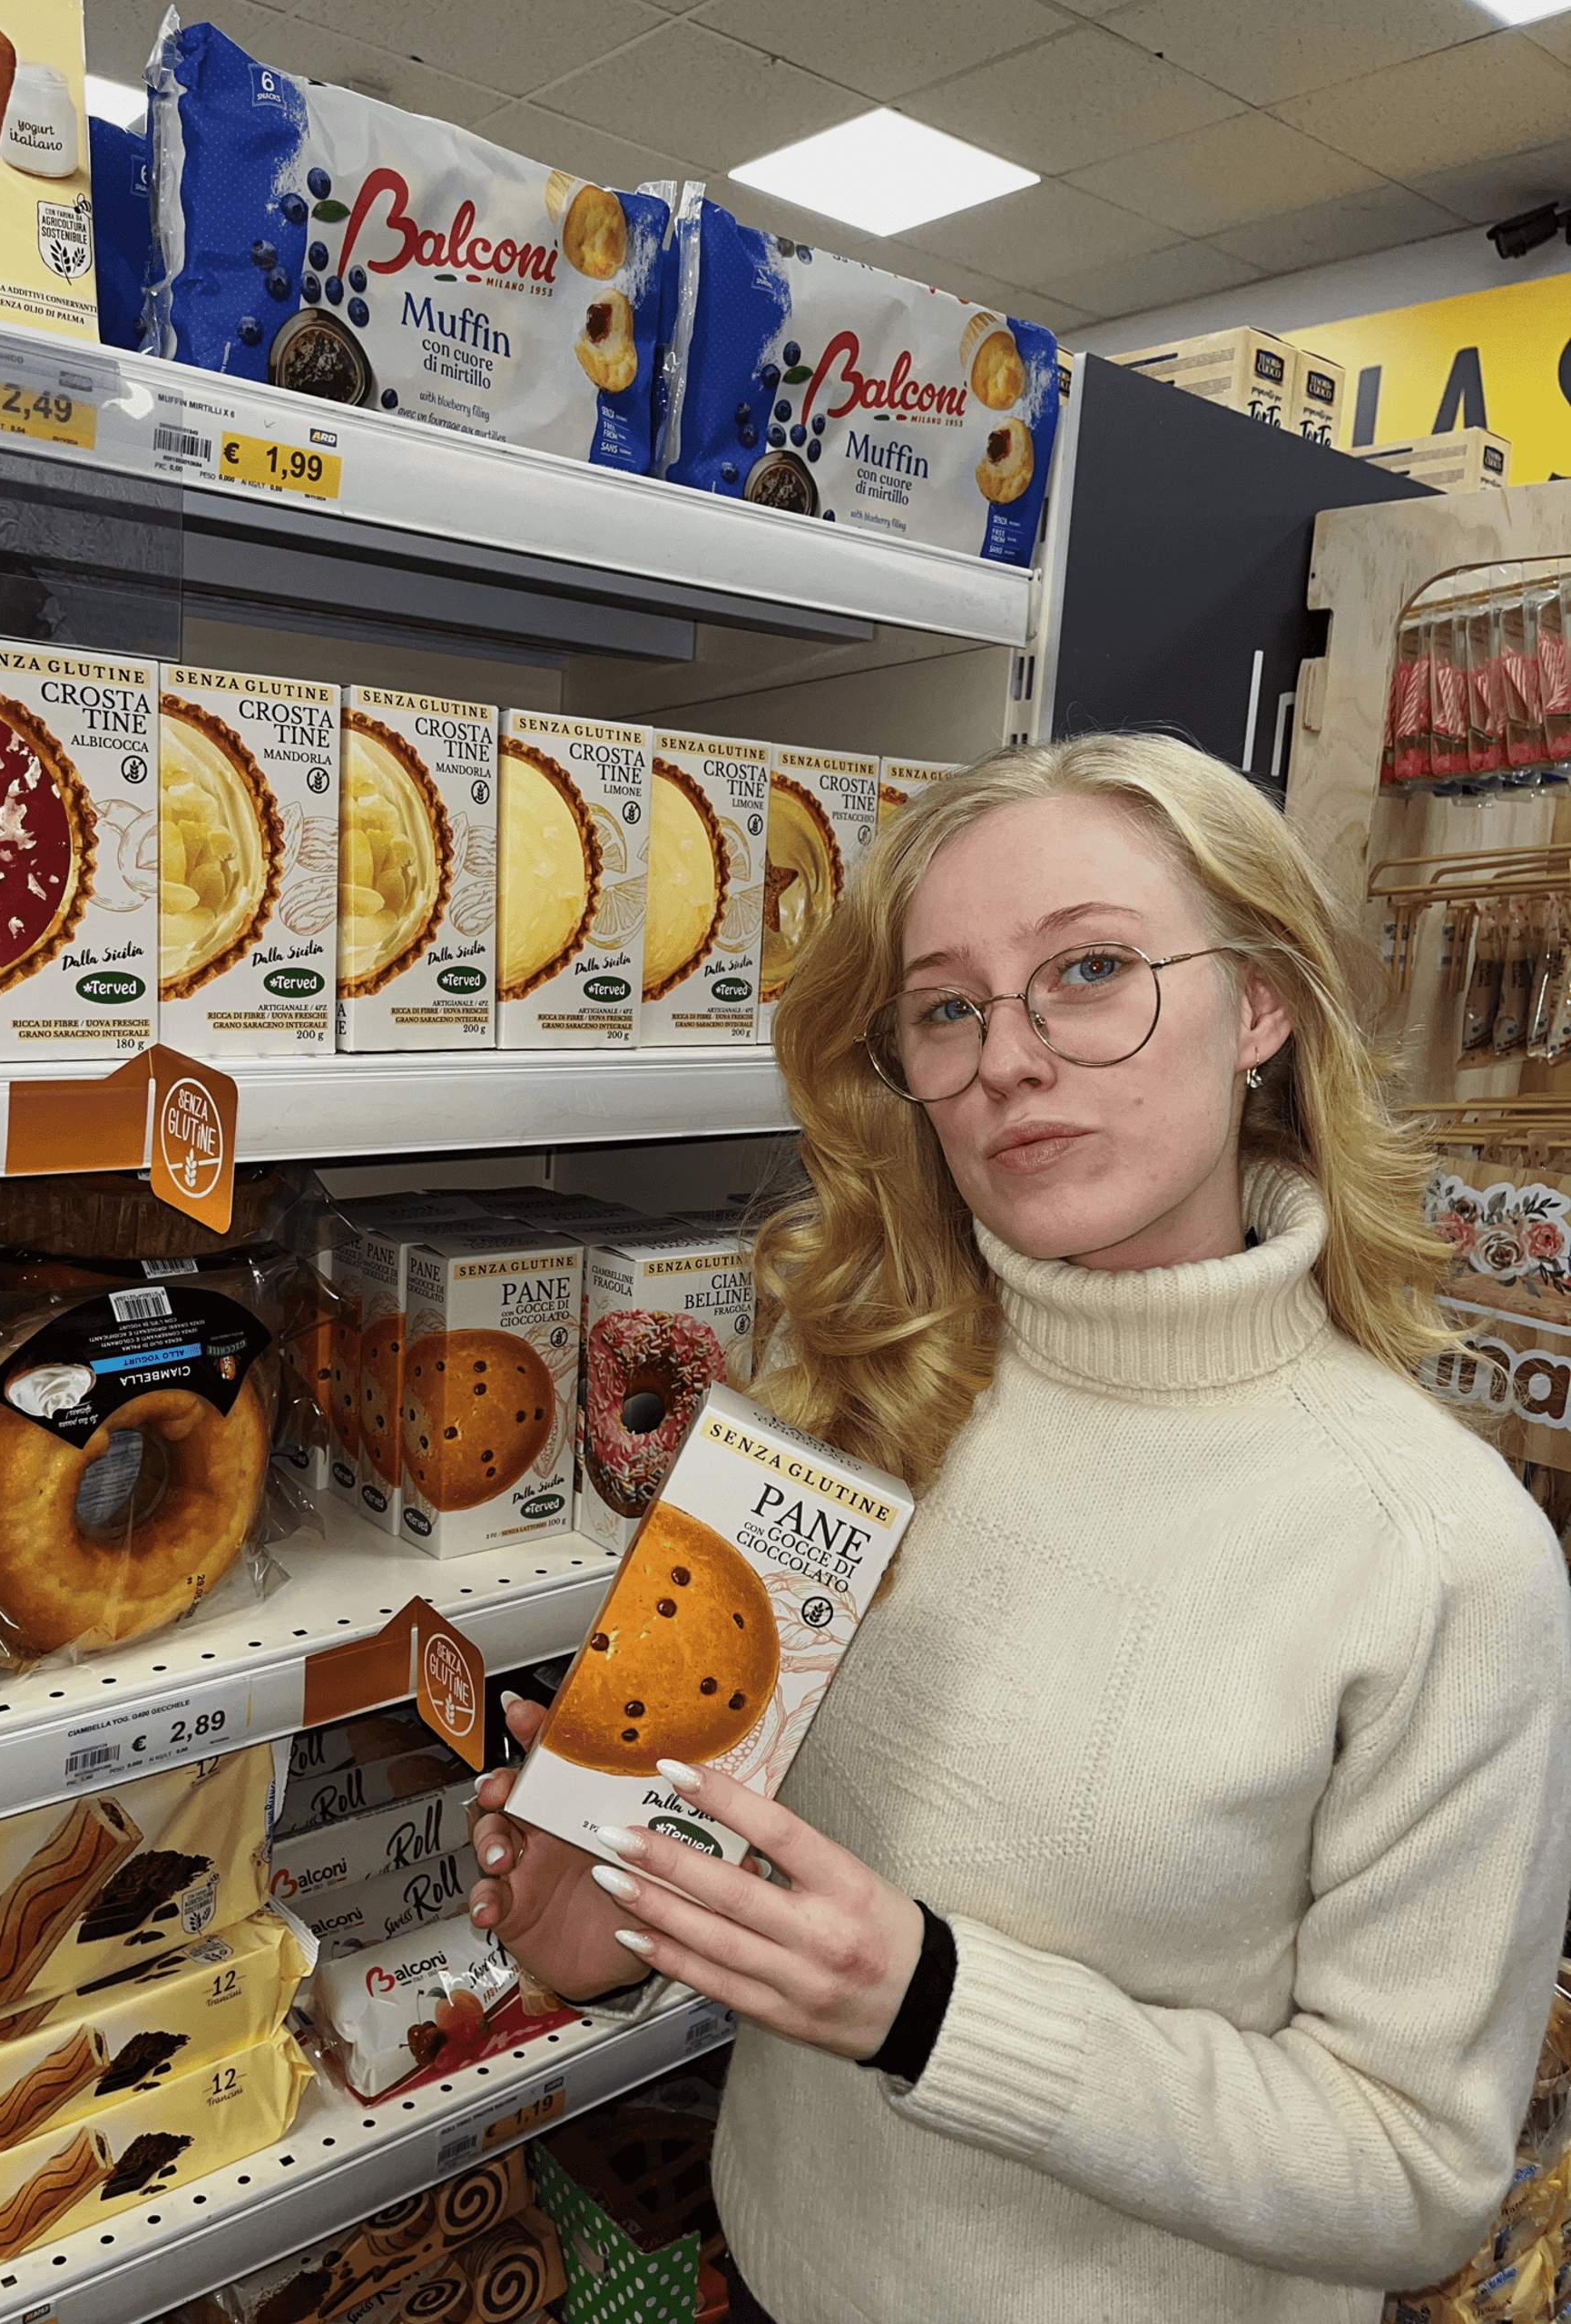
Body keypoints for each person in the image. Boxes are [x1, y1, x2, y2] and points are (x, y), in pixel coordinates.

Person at [468, 734, 1571, 2324]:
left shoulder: (1436, 1553)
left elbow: (1413, 2174)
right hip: (772, 2273)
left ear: (1259, 1004)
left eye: (1091, 970)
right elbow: (640, 1893)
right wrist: (593, 1907)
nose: (1007, 1059)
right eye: (946, 1007)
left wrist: (928, 2004)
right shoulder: (832, 1398)